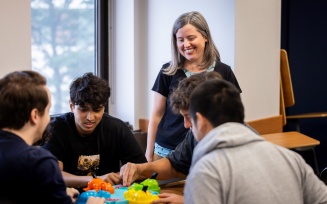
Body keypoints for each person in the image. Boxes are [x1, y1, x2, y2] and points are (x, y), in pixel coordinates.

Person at [184, 79, 327, 204]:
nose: (186, 125)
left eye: (189, 119)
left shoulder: (205, 171)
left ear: (200, 120)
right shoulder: (290, 158)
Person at [120, 72, 251, 204]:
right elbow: (174, 164)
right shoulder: (197, 134)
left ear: (204, 116)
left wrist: (188, 201)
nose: (186, 124)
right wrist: (141, 168)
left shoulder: (241, 150)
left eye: (188, 116)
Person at [146, 11, 241, 162]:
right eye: (180, 40)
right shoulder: (168, 71)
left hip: (210, 152)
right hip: (166, 153)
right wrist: (148, 155)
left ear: (205, 37)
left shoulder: (224, 72)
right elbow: (156, 115)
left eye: (191, 38)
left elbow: (234, 115)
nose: (186, 45)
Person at [0, 70, 104, 204]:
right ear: (35, 115)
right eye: (48, 111)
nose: (49, 118)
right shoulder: (39, 163)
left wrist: (55, 193)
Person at [43, 72, 147, 189]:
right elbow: (53, 175)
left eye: (97, 110)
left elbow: (143, 170)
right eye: (83, 110)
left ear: (104, 108)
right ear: (72, 106)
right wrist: (95, 180)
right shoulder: (57, 128)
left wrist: (125, 174)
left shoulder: (117, 128)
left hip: (108, 197)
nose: (90, 118)